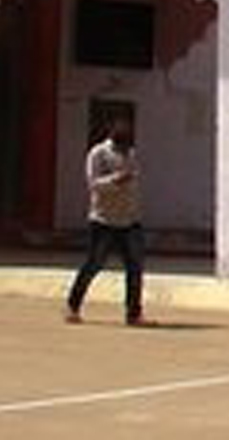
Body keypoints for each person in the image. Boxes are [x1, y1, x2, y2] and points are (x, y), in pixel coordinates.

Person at [64, 114, 148, 326]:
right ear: (111, 132)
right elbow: (94, 184)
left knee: (135, 267)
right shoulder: (98, 154)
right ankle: (73, 306)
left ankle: (133, 313)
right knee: (93, 264)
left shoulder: (132, 154)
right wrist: (117, 180)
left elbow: (135, 182)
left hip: (129, 220)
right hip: (103, 220)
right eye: (122, 132)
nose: (126, 138)